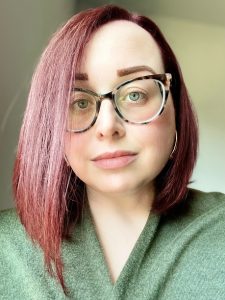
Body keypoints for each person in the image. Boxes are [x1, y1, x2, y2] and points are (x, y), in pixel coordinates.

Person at [0, 4, 225, 299]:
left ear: (176, 108)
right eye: (79, 102)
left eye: (135, 94)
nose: (108, 127)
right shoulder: (6, 248)